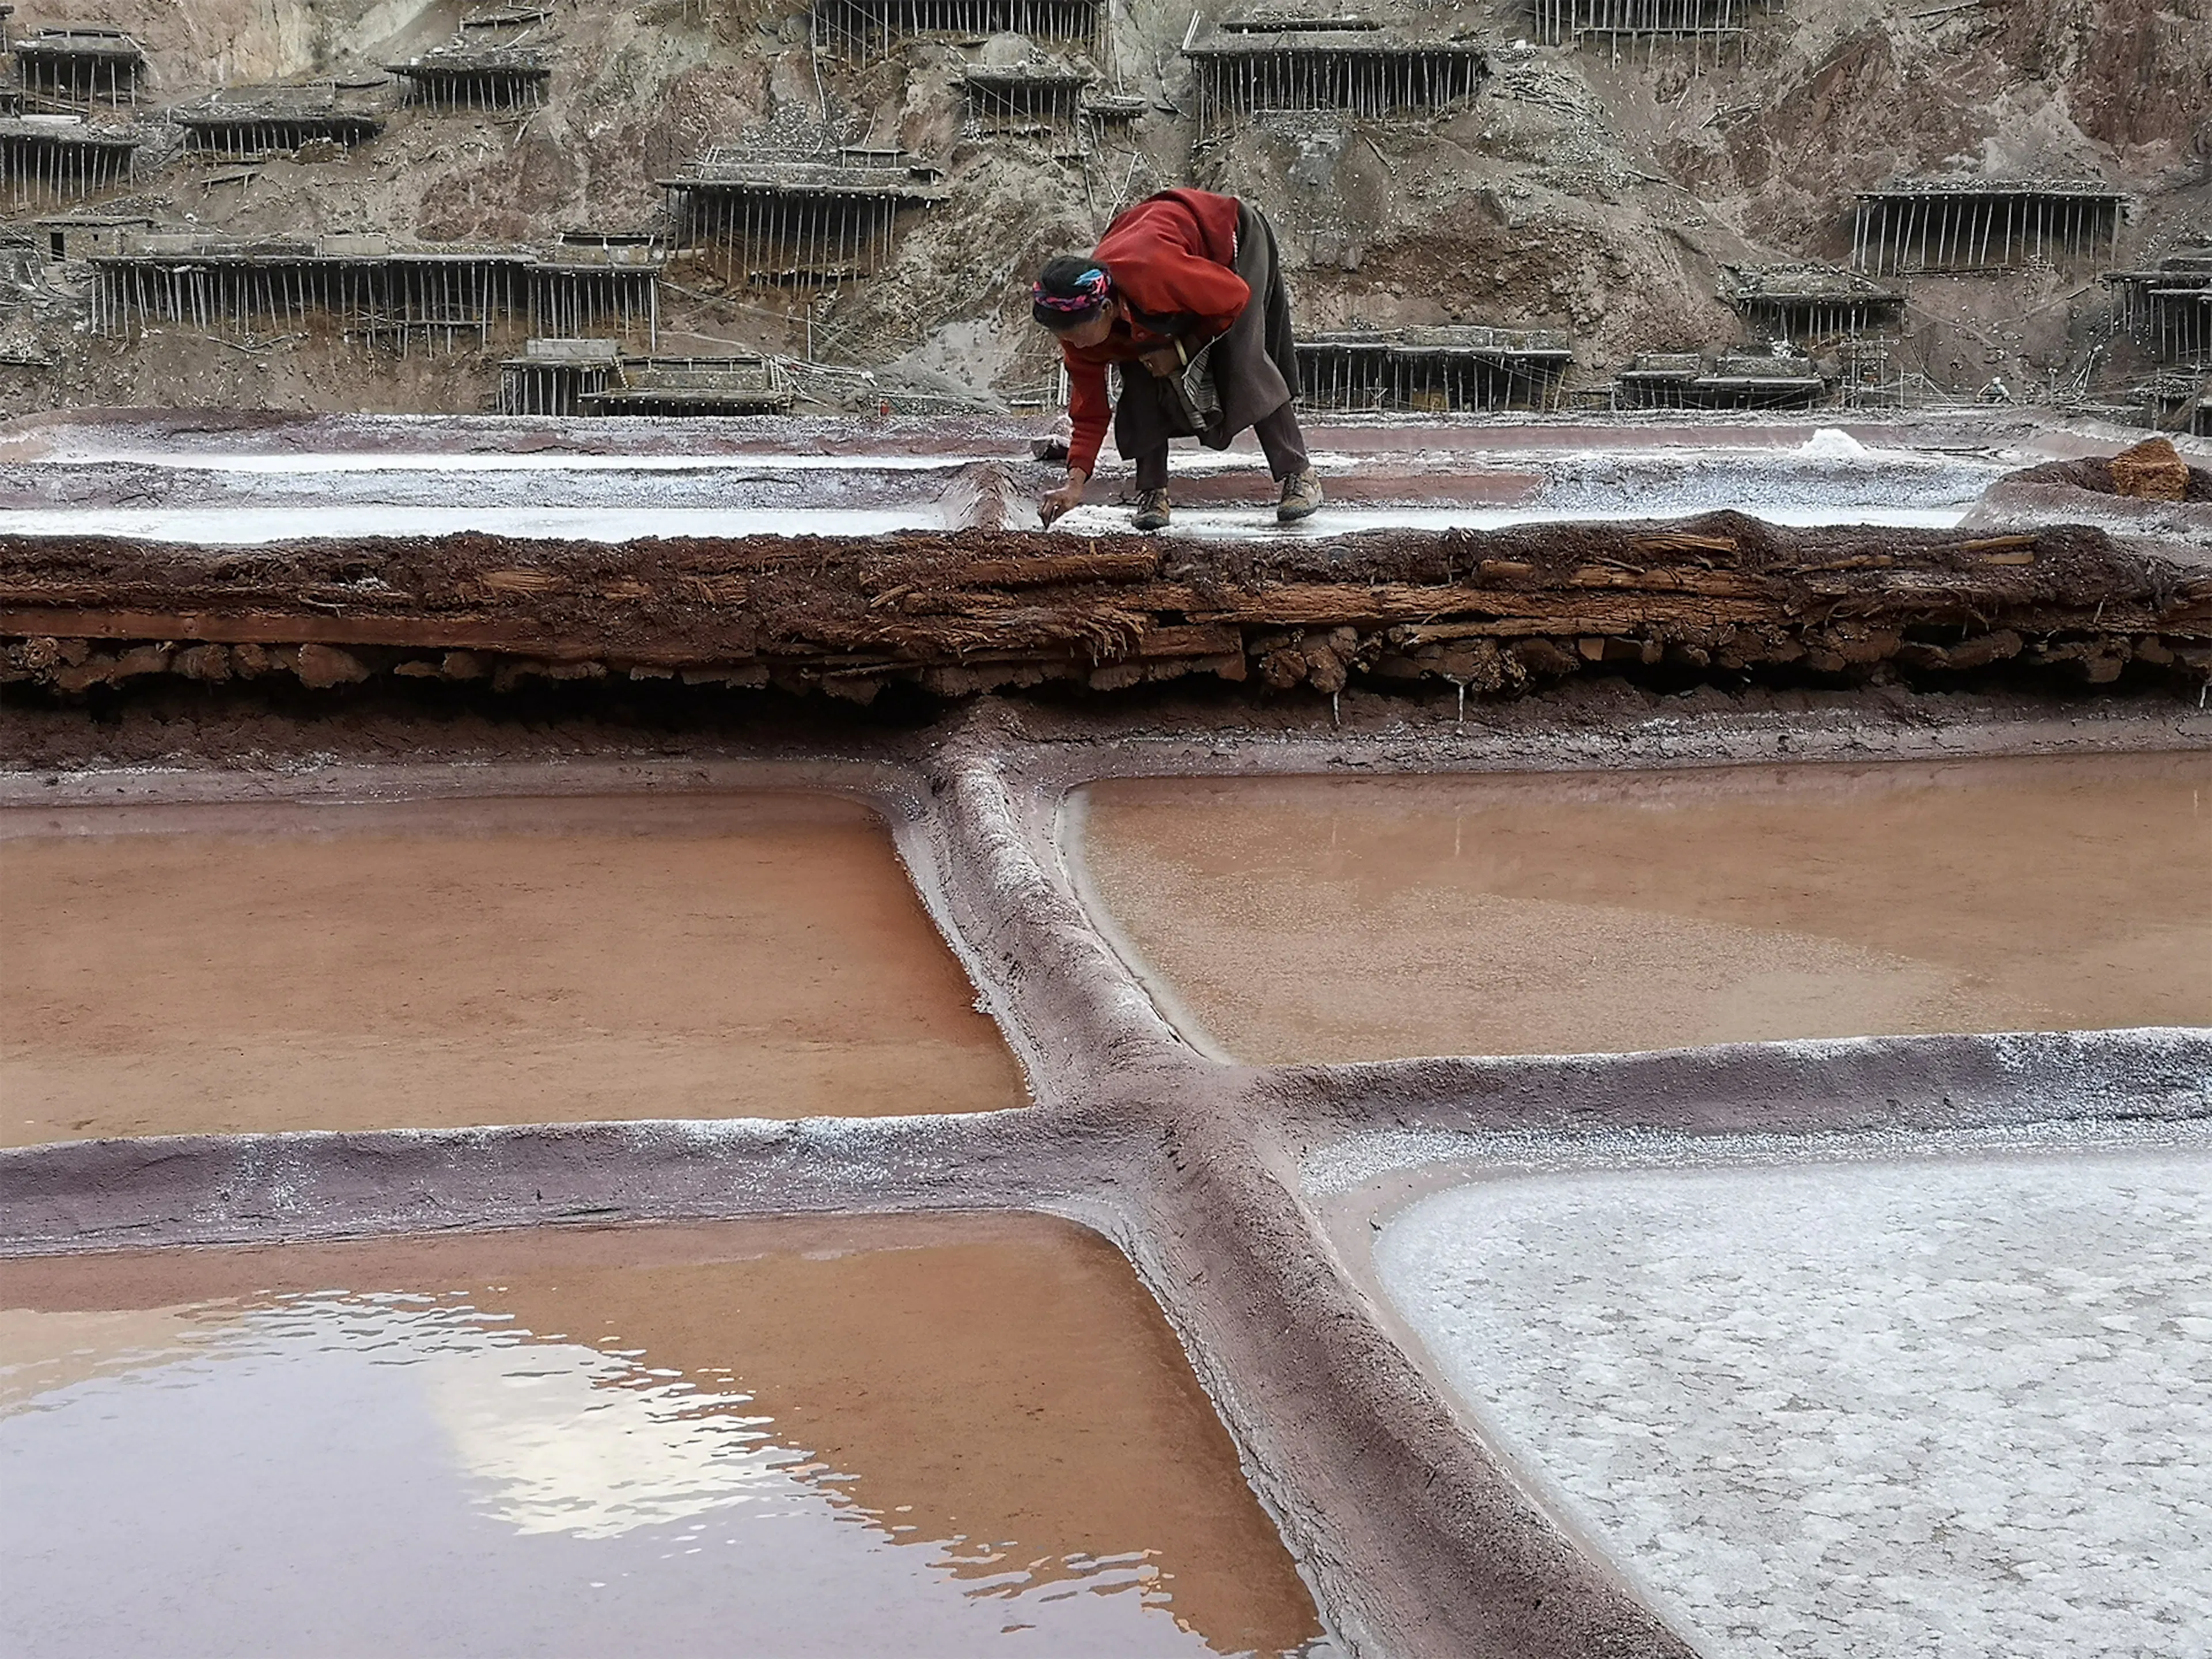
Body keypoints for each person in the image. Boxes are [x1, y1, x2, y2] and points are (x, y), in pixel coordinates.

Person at [1029, 188, 1323, 532]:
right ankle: (1152, 492)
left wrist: (1182, 351)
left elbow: (1234, 296)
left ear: (1106, 309)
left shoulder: (1155, 274)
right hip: (1163, 263)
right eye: (1064, 337)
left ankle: (1299, 475)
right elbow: (1089, 412)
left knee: (1243, 359)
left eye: (1077, 335)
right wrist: (1074, 486)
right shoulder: (1078, 332)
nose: (1073, 345)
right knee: (1140, 370)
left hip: (1230, 243)